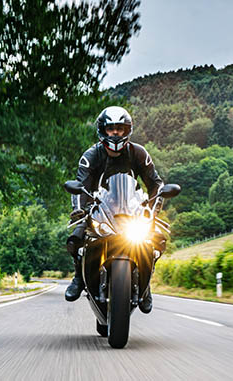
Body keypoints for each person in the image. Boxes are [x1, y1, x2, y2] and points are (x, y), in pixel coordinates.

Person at [64, 106, 165, 314]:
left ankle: (145, 287)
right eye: (111, 129)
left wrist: (154, 207)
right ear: (103, 130)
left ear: (127, 130)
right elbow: (80, 185)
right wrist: (79, 210)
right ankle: (78, 277)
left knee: (158, 240)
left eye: (120, 128)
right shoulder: (91, 156)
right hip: (100, 208)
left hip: (132, 211)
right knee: (75, 239)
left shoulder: (138, 153)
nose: (116, 133)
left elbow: (155, 183)